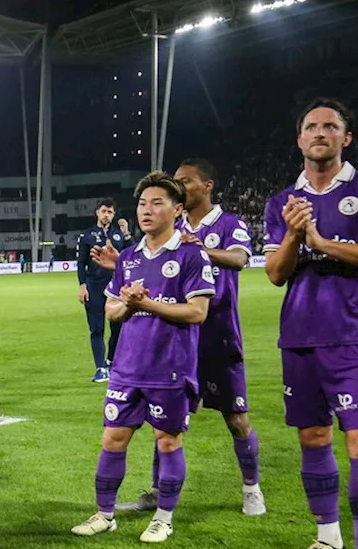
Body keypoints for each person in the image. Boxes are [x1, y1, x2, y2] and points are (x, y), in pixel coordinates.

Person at [264, 99, 358, 549]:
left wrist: (319, 236)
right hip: (298, 339)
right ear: (299, 140)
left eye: (330, 126)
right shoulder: (283, 200)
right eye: (310, 127)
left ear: (347, 137)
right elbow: (277, 273)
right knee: (312, 437)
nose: (319, 133)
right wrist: (296, 236)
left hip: (353, 339)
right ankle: (328, 539)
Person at [105, 161, 266, 517]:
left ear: (206, 186)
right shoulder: (170, 227)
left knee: (236, 417)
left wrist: (198, 251)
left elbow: (240, 259)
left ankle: (251, 487)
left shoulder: (228, 224)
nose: (180, 186)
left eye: (186, 182)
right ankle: (158, 492)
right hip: (172, 340)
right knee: (163, 420)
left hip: (216, 334)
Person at [71, 172, 214, 544]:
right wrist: (129, 304)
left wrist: (145, 302)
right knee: (113, 438)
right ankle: (105, 514)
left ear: (177, 209)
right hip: (127, 367)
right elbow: (112, 310)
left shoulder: (191, 254)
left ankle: (164, 517)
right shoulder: (130, 257)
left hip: (170, 367)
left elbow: (198, 312)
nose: (146, 211)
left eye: (157, 203)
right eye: (142, 203)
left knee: (167, 442)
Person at [77, 199, 132, 383]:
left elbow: (132, 255)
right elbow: (81, 263)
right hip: (94, 286)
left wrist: (127, 234)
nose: (106, 215)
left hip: (116, 287)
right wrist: (82, 285)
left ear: (114, 214)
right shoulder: (87, 236)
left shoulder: (119, 235)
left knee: (118, 327)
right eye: (103, 211)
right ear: (97, 213)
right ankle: (101, 368)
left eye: (110, 212)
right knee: (97, 328)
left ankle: (111, 361)